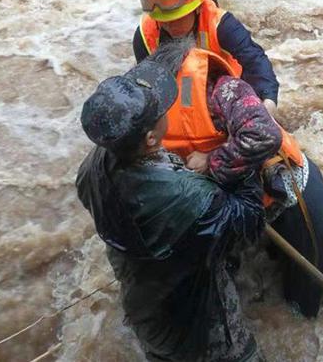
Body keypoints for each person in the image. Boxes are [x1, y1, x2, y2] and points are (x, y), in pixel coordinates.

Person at [76, 55, 265, 362]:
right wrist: (233, 160)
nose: (168, 109)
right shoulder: (190, 198)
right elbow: (249, 220)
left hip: (144, 309)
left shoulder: (91, 169)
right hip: (199, 328)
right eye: (162, 111)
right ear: (152, 138)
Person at [152, 38, 323, 319]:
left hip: (284, 192)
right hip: (225, 200)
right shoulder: (149, 104)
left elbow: (265, 135)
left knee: (309, 299)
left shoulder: (225, 90)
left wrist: (210, 160)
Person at [131, 0, 280, 115]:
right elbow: (145, 85)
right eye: (164, 20)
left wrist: (268, 100)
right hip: (175, 102)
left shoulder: (221, 25)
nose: (169, 25)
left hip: (223, 96)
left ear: (197, 8)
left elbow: (255, 60)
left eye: (177, 19)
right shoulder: (144, 34)